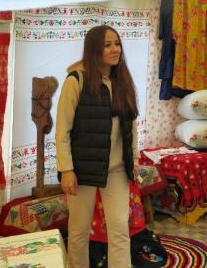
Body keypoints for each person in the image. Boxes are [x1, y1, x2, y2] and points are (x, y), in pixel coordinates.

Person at [56, 25, 139, 268]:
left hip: (117, 169)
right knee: (79, 230)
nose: (115, 49)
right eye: (107, 45)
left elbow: (131, 126)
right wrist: (66, 169)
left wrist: (134, 160)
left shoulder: (122, 80)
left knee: (120, 229)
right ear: (94, 49)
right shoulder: (76, 80)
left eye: (117, 43)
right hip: (83, 168)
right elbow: (63, 130)